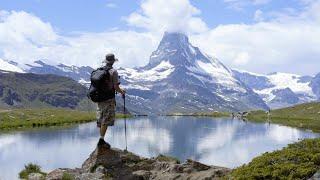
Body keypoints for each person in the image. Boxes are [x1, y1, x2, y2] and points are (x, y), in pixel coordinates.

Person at [97, 53, 126, 148]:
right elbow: (116, 87)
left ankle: (101, 139)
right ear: (113, 61)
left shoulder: (99, 70)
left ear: (106, 61)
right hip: (108, 99)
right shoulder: (113, 72)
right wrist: (122, 92)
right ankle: (101, 141)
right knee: (106, 119)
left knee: (101, 118)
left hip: (99, 99)